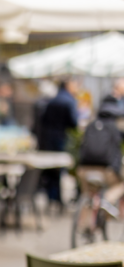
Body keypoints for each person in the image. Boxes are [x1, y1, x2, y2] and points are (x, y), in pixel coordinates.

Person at [38, 78, 79, 207]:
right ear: (68, 85)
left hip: (48, 138)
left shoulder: (52, 100)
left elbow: (43, 120)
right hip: (61, 138)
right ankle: (57, 199)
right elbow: (74, 123)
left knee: (50, 169)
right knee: (59, 169)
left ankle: (52, 196)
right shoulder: (69, 101)